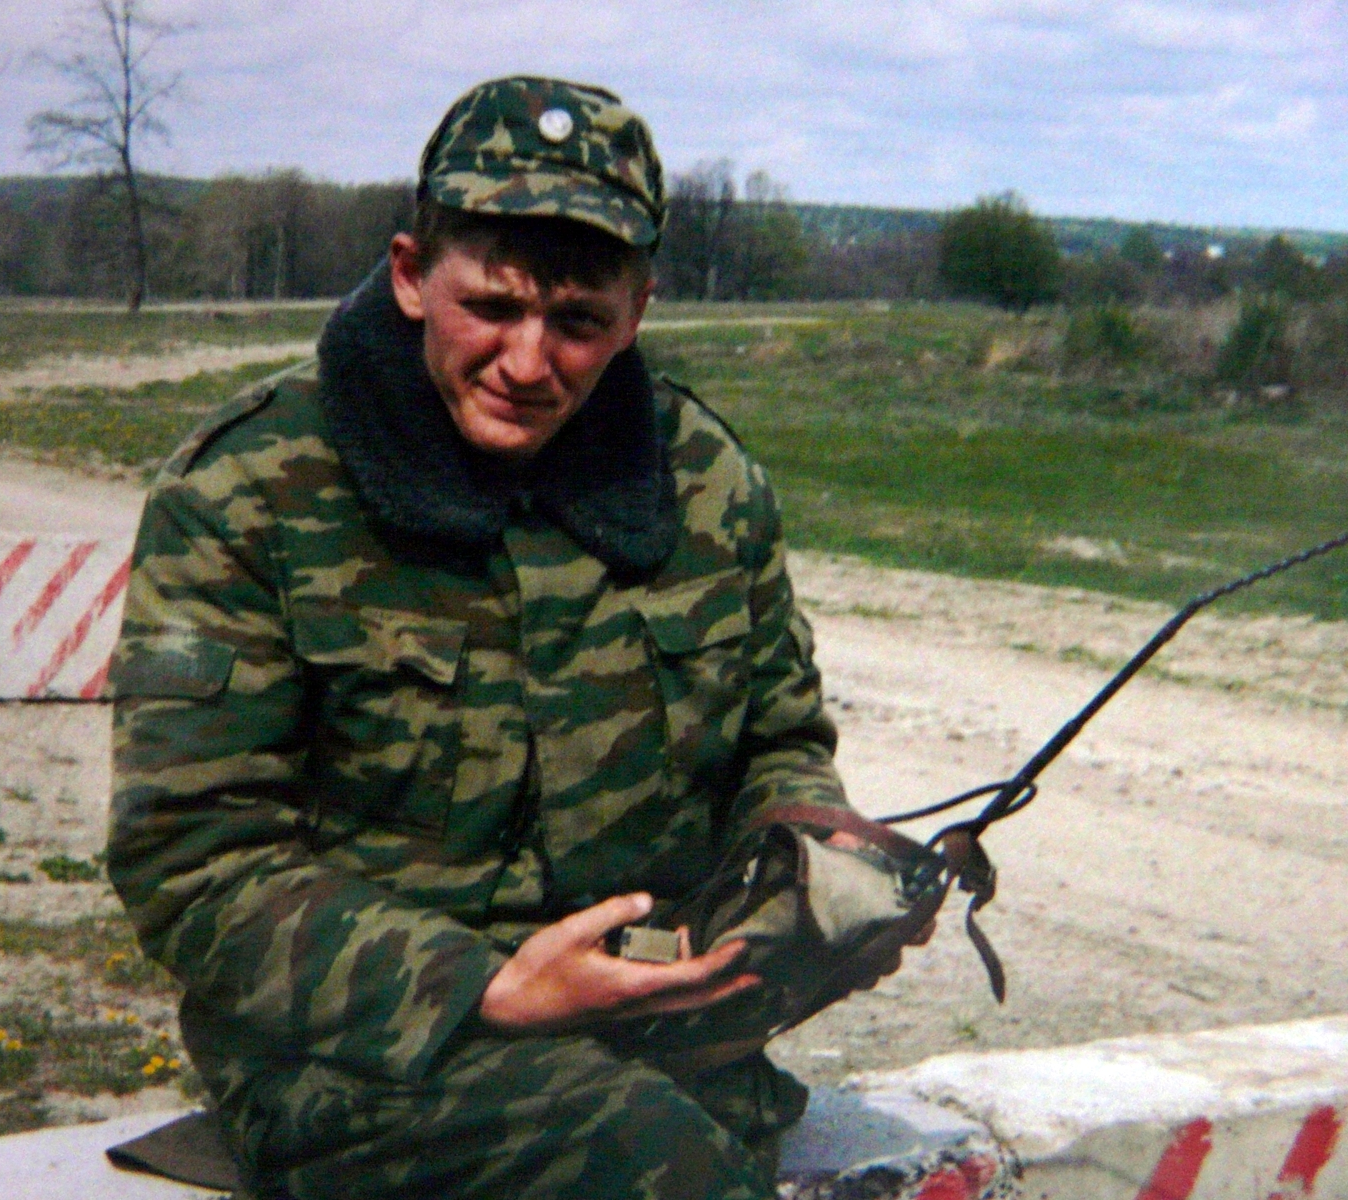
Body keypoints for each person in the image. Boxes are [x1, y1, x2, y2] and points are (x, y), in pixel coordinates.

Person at [107, 76, 907, 1200]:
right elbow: (192, 862)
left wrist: (815, 859)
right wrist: (489, 989)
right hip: (368, 1054)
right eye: (490, 307)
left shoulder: (705, 483)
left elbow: (778, 740)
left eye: (578, 323)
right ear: (409, 275)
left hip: (656, 1036)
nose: (528, 364)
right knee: (655, 1165)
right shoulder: (249, 490)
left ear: (637, 312)